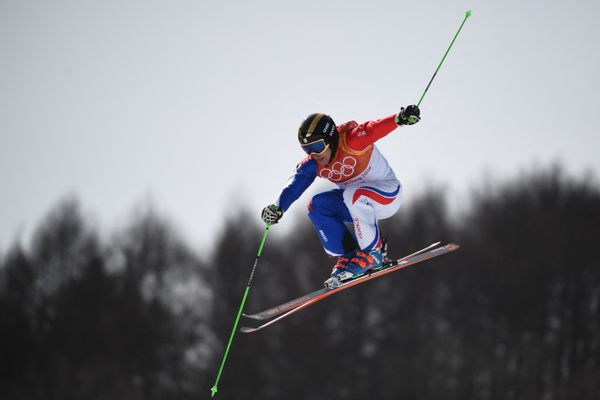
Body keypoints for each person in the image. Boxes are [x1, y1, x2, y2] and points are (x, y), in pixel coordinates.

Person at [261, 105, 421, 287]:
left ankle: (373, 254)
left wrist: (399, 119)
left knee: (354, 193)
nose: (314, 154)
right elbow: (294, 185)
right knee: (317, 205)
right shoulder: (314, 163)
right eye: (307, 149)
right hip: (357, 204)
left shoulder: (351, 141)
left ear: (330, 139)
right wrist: (277, 207)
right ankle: (350, 255)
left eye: (317, 146)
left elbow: (372, 129)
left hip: (388, 195)